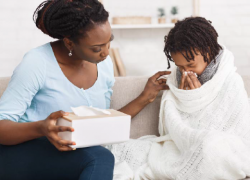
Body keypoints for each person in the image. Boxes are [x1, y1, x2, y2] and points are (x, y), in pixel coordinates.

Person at [0, 0, 170, 180]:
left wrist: (145, 97)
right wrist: (41, 128)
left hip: (71, 155)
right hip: (21, 152)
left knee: (99, 155)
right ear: (69, 43)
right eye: (96, 48)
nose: (105, 52)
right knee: (100, 158)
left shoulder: (104, 65)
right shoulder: (37, 63)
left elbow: (102, 125)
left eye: (108, 42)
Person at [110, 17, 250, 180]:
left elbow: (239, 136)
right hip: (181, 148)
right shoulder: (175, 80)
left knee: (211, 147)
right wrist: (185, 98)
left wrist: (197, 98)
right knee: (130, 149)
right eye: (180, 66)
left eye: (190, 66)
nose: (185, 72)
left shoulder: (231, 81)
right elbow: (173, 130)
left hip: (217, 146)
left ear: (209, 50)